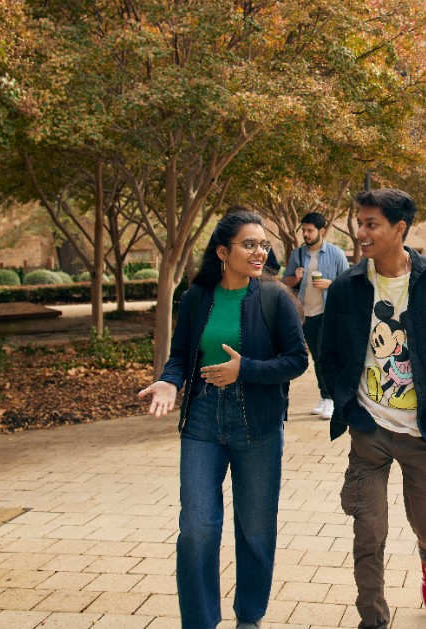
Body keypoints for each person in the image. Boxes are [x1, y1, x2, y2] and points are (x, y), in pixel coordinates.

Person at [137, 209, 309, 629]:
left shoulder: (274, 298)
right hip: (202, 418)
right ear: (222, 251)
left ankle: (248, 617)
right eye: (249, 244)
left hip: (258, 423)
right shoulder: (197, 297)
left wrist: (244, 369)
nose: (259, 252)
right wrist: (168, 383)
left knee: (254, 529)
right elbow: (180, 357)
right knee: (196, 527)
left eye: (263, 244)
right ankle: (200, 622)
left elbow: (297, 361)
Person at [318, 188, 426, 629]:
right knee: (368, 531)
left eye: (371, 224)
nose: (361, 231)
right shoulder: (349, 286)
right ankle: (373, 618)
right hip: (368, 428)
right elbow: (326, 352)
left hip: (421, 429)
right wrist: (347, 405)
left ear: (399, 229)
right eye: (359, 222)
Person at [283, 211, 350, 420]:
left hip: (328, 312)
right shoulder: (298, 254)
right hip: (305, 313)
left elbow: (348, 283)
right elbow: (285, 283)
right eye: (303, 230)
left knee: (325, 355)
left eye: (309, 230)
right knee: (316, 357)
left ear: (321, 231)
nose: (305, 234)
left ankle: (330, 398)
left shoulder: (336, 254)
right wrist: (295, 277)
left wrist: (330, 283)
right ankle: (326, 397)